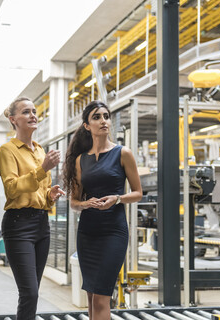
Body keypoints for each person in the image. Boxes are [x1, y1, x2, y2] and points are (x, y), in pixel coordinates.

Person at [62, 100, 142, 320]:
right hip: (87, 233)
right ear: (87, 126)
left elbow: (138, 193)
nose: (103, 121)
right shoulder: (80, 160)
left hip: (113, 232)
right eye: (96, 117)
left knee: (100, 298)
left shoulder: (123, 153)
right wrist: (86, 204)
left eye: (106, 116)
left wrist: (117, 199)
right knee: (90, 298)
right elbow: (74, 202)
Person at [0, 96, 65, 320]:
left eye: (34, 111)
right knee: (30, 292)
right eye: (26, 112)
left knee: (33, 291)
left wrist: (50, 196)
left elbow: (38, 192)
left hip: (41, 224)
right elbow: (12, 189)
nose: (33, 115)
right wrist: (43, 169)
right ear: (13, 119)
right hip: (19, 225)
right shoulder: (7, 150)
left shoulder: (39, 150)